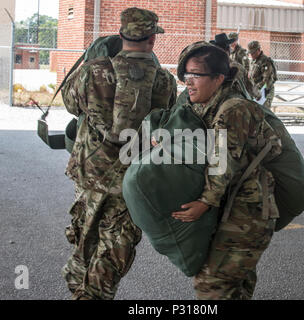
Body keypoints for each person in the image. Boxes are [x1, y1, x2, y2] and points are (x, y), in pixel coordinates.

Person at [61, 7, 176, 300]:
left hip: (91, 174)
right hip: (133, 180)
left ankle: (81, 288)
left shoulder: (92, 71)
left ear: (121, 36)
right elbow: (167, 126)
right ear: (152, 40)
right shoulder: (164, 81)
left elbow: (72, 107)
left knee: (85, 234)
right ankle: (94, 292)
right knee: (116, 244)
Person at [172, 41, 282, 299]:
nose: (188, 82)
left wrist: (205, 202)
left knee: (211, 285)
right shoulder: (208, 104)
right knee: (235, 288)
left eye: (196, 75)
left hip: (248, 213)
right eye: (186, 75)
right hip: (235, 206)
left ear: (219, 78)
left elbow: (223, 160)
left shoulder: (232, 110)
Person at [248, 40, 277, 109]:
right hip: (256, 92)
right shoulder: (254, 61)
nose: (251, 55)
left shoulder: (266, 61)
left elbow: (266, 80)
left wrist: (257, 88)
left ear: (259, 50)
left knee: (264, 113)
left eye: (253, 53)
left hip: (265, 91)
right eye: (250, 53)